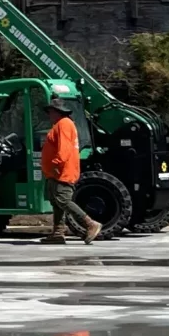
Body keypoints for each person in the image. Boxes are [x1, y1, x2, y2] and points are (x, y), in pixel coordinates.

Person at [41, 99, 101, 244]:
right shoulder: (61, 125)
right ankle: (58, 233)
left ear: (57, 112)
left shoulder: (64, 124)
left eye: (51, 112)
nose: (49, 115)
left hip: (61, 171)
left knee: (63, 200)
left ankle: (90, 223)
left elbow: (65, 148)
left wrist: (56, 163)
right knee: (57, 201)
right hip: (56, 171)